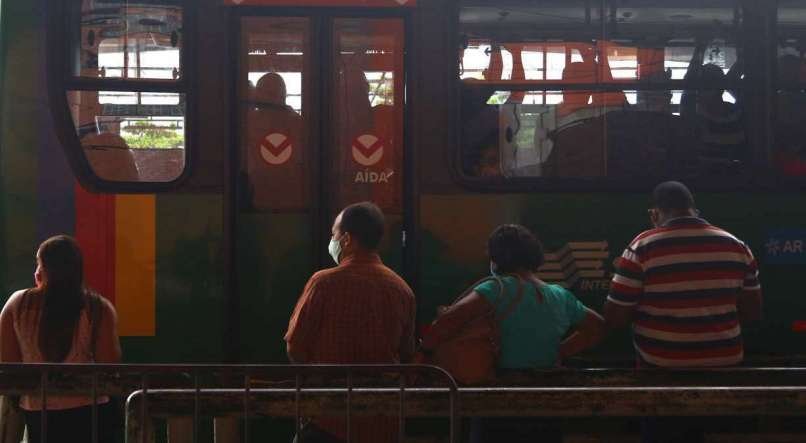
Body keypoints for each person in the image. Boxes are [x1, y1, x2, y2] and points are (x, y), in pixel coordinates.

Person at [604, 181, 762, 443]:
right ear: (694, 210)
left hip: (662, 366)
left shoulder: (643, 246)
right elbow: (753, 312)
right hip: (724, 366)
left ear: (654, 214)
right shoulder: (736, 246)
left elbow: (615, 317)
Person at [421, 224, 605, 443]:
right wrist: (561, 350)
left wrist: (424, 351)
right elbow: (597, 327)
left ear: (496, 258)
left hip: (496, 399)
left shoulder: (495, 289)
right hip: (546, 402)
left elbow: (446, 322)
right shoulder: (559, 295)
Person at [285, 202, 416, 443]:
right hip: (382, 422)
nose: (332, 240)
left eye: (334, 234)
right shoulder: (401, 289)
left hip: (327, 420)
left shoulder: (322, 283)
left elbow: (295, 347)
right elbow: (406, 353)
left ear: (346, 239)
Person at [0, 235, 122, 443]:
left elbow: (8, 361)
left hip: (39, 409)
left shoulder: (17, 304)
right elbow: (110, 364)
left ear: (45, 269)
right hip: (91, 411)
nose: (35, 271)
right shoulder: (98, 307)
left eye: (39, 264)